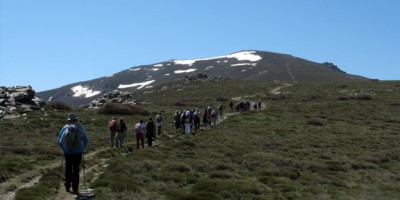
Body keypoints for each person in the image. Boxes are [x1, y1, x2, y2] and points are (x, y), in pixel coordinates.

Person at [57, 113, 88, 194]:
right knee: (76, 169)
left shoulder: (64, 128)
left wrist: (65, 149)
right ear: (76, 120)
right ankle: (75, 188)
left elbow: (59, 141)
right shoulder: (80, 128)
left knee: (68, 169)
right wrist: (82, 147)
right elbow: (85, 140)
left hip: (68, 152)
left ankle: (67, 186)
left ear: (68, 121)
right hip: (78, 152)